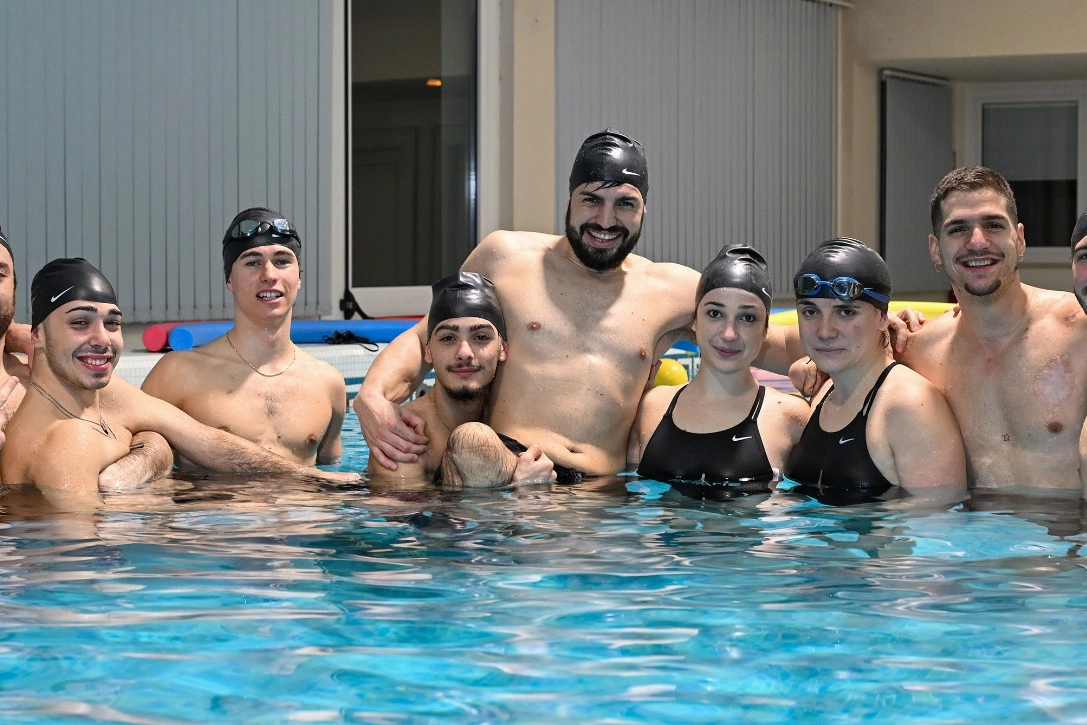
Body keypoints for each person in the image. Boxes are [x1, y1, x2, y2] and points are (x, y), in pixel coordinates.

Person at [354, 129, 809, 480]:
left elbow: (772, 338)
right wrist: (372, 396)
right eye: (592, 200)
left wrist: (874, 332)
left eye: (624, 205)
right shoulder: (507, 257)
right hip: (502, 471)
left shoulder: (672, 289)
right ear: (569, 200)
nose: (606, 220)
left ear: (644, 209)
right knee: (471, 443)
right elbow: (425, 337)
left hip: (601, 494)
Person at [0, 258, 358, 509]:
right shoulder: (66, 443)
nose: (101, 339)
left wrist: (310, 478)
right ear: (38, 338)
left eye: (112, 323)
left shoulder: (102, 395)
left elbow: (207, 440)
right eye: (79, 323)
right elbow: (85, 566)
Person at [897, 166, 1087, 491]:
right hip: (966, 537)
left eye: (994, 225)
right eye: (958, 229)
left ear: (1021, 239)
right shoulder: (912, 349)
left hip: (1067, 534)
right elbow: (819, 343)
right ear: (934, 248)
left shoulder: (1079, 329)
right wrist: (820, 365)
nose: (977, 242)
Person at [142, 208, 345, 466]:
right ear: (229, 279)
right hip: (209, 506)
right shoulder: (177, 374)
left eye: (282, 261)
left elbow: (332, 479)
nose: (269, 274)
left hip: (301, 506)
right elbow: (141, 473)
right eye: (252, 262)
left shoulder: (329, 383)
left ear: (299, 277)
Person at [784, 238, 967, 504]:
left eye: (846, 312)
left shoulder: (909, 405)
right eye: (810, 312)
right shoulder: (825, 391)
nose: (825, 331)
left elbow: (936, 534)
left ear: (883, 317)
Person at [629, 244, 809, 499]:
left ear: (766, 329)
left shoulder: (790, 416)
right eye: (715, 313)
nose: (729, 333)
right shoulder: (651, 407)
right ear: (694, 321)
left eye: (747, 318)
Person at [0, 226, 173, 486]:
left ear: (13, 286)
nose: (101, 338)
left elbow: (189, 439)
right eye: (80, 322)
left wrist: (146, 457)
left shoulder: (56, 373)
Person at [366, 271, 555, 487]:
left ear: (502, 349)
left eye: (481, 337)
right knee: (472, 440)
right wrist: (515, 490)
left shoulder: (521, 419)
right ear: (428, 352)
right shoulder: (404, 440)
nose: (464, 352)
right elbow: (401, 515)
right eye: (448, 338)